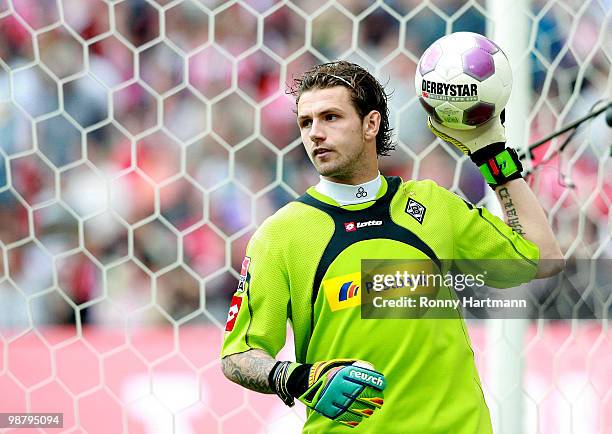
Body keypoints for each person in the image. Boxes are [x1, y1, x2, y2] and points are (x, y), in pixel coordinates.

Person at [220, 61, 563, 433]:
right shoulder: (281, 235)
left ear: (371, 124)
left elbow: (544, 258)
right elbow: (238, 354)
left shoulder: (432, 204)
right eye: (306, 122)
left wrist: (491, 153)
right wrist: (297, 378)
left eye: (331, 117)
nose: (315, 133)